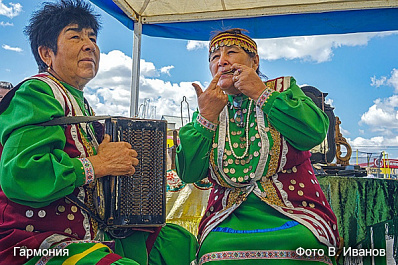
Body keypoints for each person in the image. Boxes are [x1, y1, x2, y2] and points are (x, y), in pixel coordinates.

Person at [0, 0, 197, 264]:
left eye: (92, 37)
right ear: (47, 54)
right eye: (75, 36)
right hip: (34, 241)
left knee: (178, 244)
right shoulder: (36, 91)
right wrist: (98, 164)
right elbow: (20, 174)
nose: (89, 45)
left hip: (92, 231)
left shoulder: (81, 103)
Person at [176, 28, 340, 264]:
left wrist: (262, 93)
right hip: (228, 217)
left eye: (231, 52)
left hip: (295, 211)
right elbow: (188, 173)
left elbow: (313, 134)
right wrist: (206, 119)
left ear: (255, 61)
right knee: (214, 252)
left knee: (303, 244)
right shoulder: (208, 108)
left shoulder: (283, 90)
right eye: (213, 58)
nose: (222, 61)